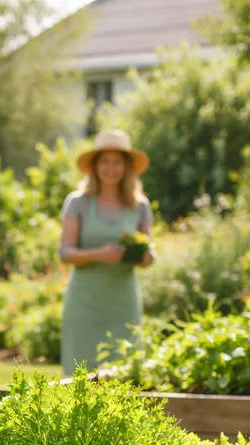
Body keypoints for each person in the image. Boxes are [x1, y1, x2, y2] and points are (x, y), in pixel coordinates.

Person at [57, 129, 155, 377]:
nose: (110, 168)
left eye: (117, 162)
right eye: (105, 162)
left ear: (126, 167)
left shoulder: (139, 205)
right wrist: (99, 254)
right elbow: (65, 252)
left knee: (126, 375)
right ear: (95, 166)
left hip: (122, 303)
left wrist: (147, 256)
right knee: (79, 377)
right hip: (85, 303)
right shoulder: (78, 202)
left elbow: (148, 250)